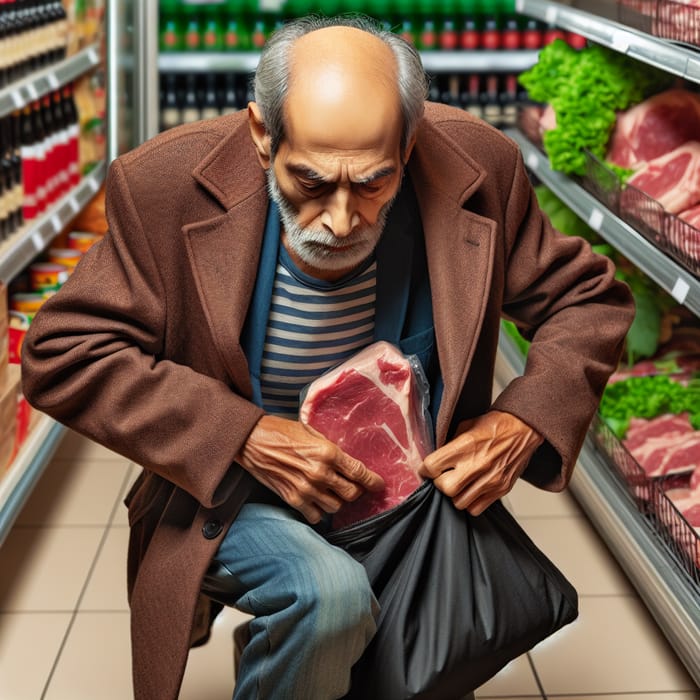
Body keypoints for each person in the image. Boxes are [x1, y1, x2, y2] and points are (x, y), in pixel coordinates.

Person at [21, 14, 635, 700]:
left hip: (400, 498)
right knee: (329, 596)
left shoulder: (476, 166)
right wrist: (242, 434)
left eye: (373, 183)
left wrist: (524, 417)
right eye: (311, 183)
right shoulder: (163, 184)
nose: (341, 221)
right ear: (262, 137)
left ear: (408, 146)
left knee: (403, 658)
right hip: (233, 491)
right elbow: (62, 352)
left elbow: (587, 300)